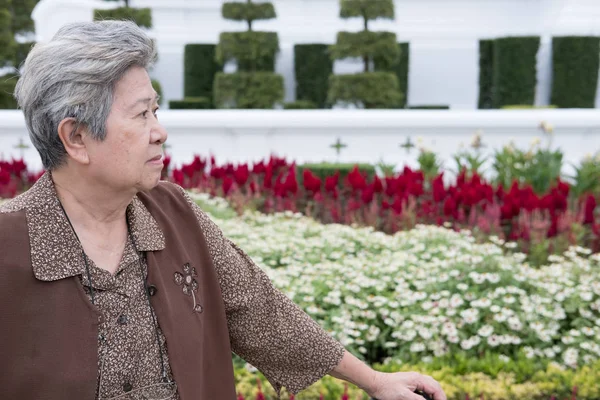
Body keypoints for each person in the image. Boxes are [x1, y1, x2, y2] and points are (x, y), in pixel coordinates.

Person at [0, 20, 447, 400]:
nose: (160, 132)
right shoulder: (9, 245)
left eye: (156, 110)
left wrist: (375, 382)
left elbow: (258, 309)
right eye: (141, 116)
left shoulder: (173, 214)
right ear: (76, 137)